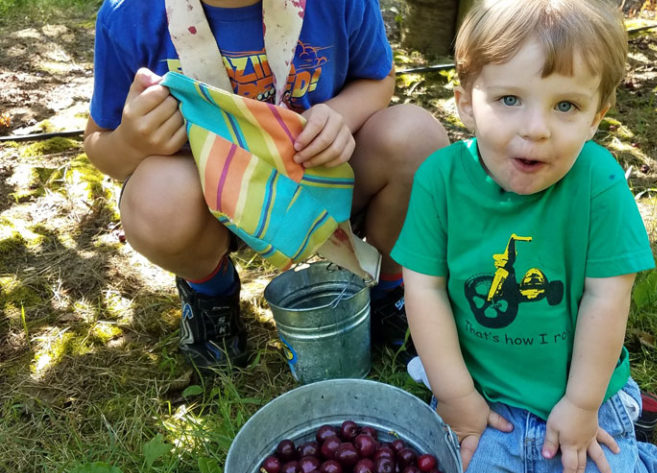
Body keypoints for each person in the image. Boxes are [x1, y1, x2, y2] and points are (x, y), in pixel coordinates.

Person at [391, 0, 657, 473]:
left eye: (566, 105)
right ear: (465, 102)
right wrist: (456, 397)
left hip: (574, 393)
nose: (536, 128)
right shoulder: (440, 179)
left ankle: (637, 458)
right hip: (483, 394)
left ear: (596, 116)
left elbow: (607, 296)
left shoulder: (598, 182)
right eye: (509, 99)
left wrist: (583, 403)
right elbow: (424, 290)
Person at [83, 0, 449, 372]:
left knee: (416, 139)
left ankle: (389, 291)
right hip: (214, 201)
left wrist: (342, 114)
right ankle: (211, 293)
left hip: (324, 180)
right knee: (156, 196)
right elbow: (100, 144)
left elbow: (378, 78)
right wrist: (131, 142)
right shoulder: (128, 16)